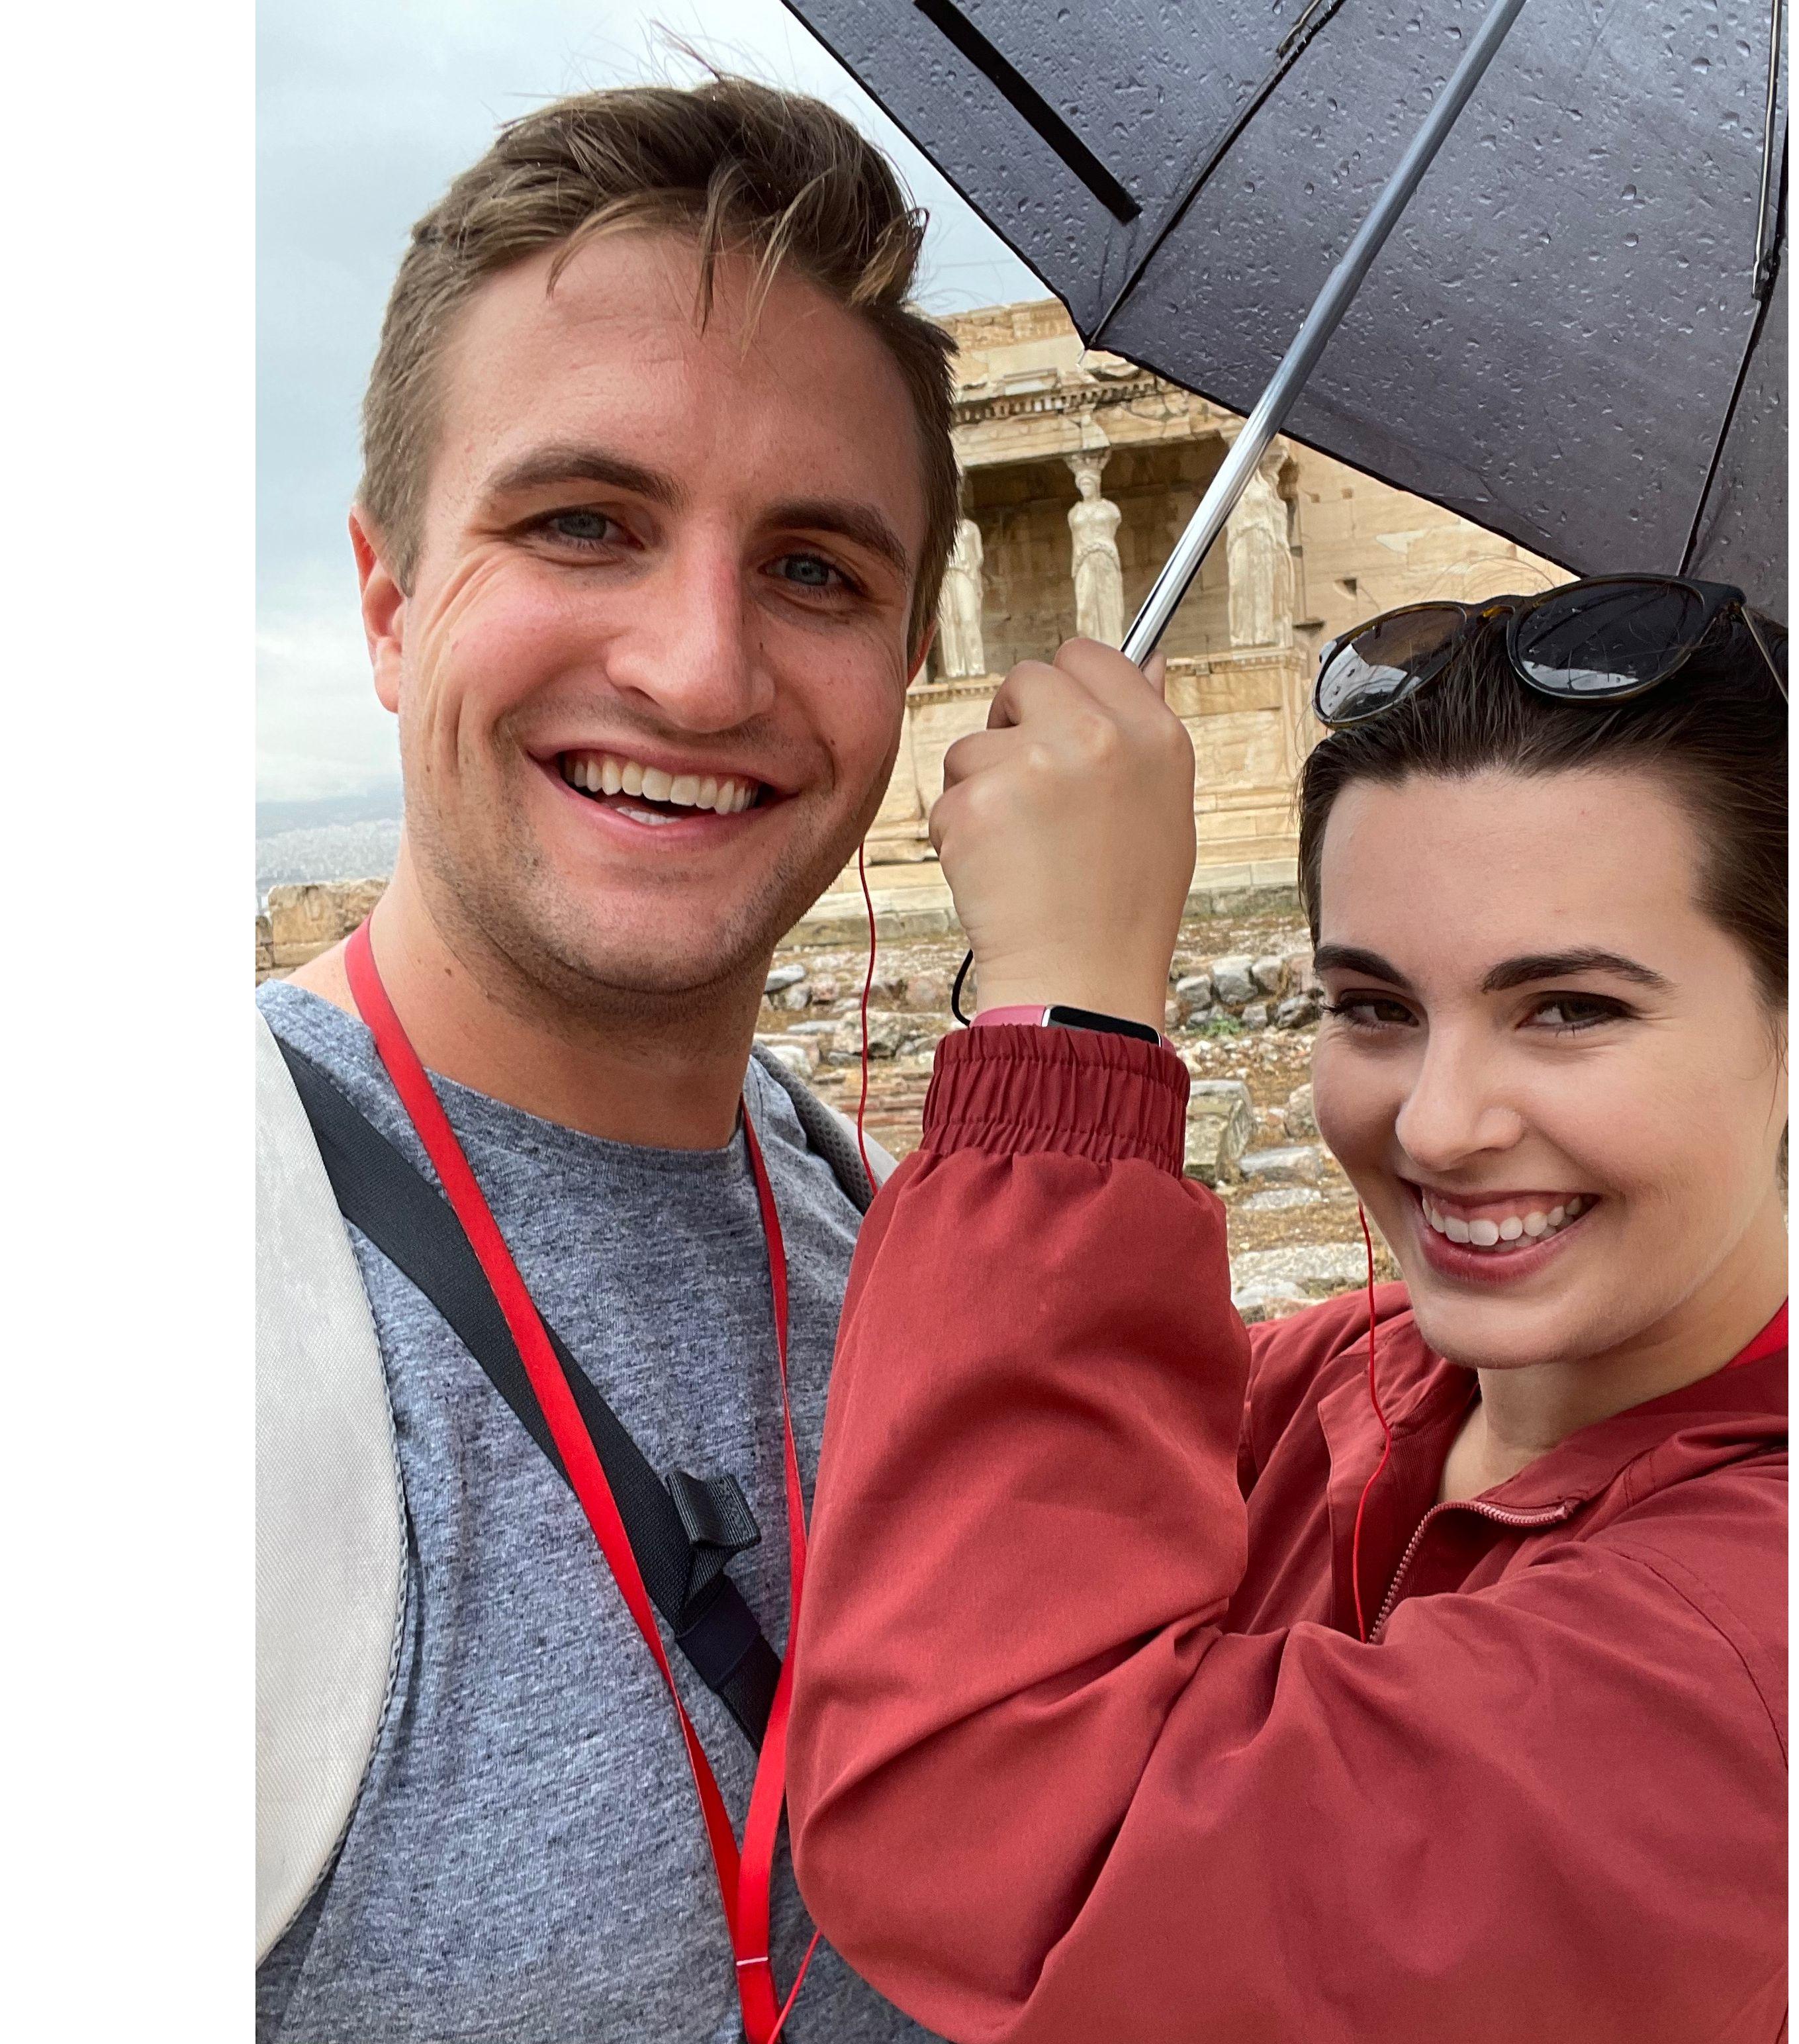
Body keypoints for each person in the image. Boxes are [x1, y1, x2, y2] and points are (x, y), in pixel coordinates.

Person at [787, 580, 1790, 2042]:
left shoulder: (1764, 1644)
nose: (1439, 1126)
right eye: (1373, 1006)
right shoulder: (1344, 1375)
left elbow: (994, 1845)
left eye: (1568, 1007)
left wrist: (1065, 1025)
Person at [254, 78, 956, 2044]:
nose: (702, 668)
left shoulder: (874, 1229)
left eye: (818, 570)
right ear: (391, 600)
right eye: (584, 523)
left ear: (908, 672)